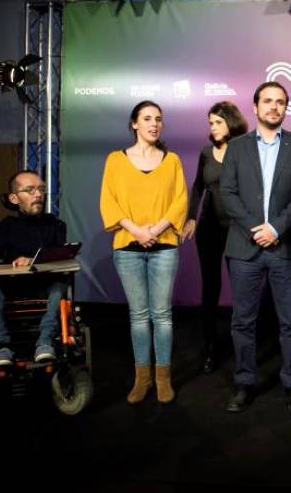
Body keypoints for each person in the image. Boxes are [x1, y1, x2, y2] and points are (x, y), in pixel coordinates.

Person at [220, 81, 291, 414]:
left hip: (284, 247)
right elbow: (227, 192)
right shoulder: (236, 147)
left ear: (286, 108)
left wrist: (275, 228)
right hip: (244, 247)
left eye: (280, 102)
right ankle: (244, 382)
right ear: (255, 107)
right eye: (268, 101)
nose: (274, 107)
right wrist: (255, 228)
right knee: (242, 321)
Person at [100, 100, 188, 404]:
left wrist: (156, 229)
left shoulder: (172, 160)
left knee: (162, 315)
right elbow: (108, 201)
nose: (154, 124)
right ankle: (143, 378)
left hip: (164, 247)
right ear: (134, 123)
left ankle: (163, 379)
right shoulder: (115, 160)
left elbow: (180, 200)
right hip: (128, 247)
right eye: (147, 118)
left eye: (158, 119)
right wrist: (137, 231)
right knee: (138, 316)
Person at [0, 170, 67, 366]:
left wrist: (32, 260)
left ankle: (45, 342)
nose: (38, 194)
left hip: (43, 285)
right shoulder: (7, 226)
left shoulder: (55, 224)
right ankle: (2, 346)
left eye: (41, 189)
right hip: (13, 287)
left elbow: (59, 255)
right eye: (30, 190)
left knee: (59, 285)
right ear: (14, 198)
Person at [181, 101, 249, 374]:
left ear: (231, 122)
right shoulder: (206, 152)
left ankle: (243, 349)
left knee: (242, 290)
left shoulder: (246, 150)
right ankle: (210, 348)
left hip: (237, 229)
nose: (213, 127)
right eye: (210, 123)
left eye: (218, 122)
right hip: (209, 228)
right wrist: (191, 217)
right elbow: (198, 186)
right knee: (210, 289)